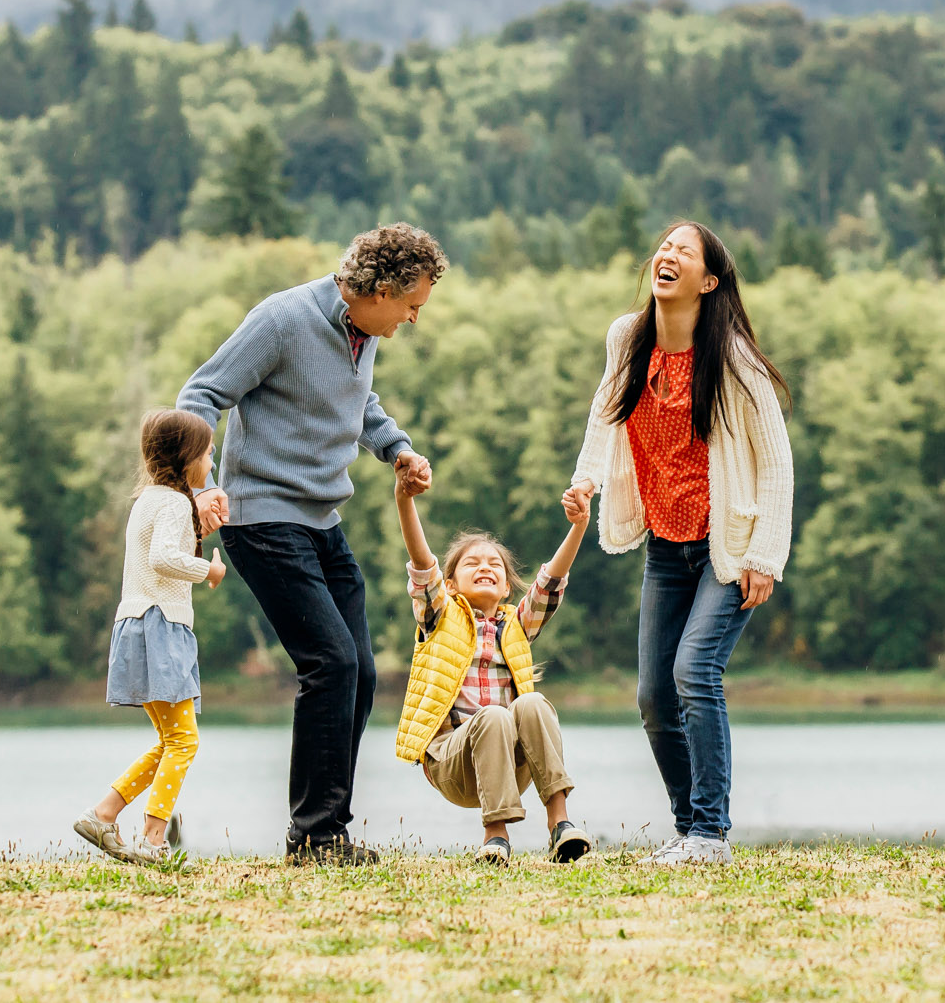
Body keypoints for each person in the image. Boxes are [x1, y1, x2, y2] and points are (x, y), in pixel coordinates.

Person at [177, 223, 445, 865]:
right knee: (331, 662)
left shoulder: (363, 334)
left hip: (322, 520)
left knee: (360, 672)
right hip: (262, 518)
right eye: (412, 305)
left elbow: (361, 404)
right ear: (379, 289)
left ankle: (325, 831)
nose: (412, 319)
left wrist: (397, 448)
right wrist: (202, 488)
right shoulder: (282, 320)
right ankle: (316, 835)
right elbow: (200, 396)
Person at [563, 221, 793, 866]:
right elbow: (604, 413)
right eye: (665, 247)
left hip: (728, 548)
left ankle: (710, 835)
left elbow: (775, 463)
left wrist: (764, 556)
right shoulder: (627, 338)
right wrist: (584, 483)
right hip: (666, 546)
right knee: (653, 696)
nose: (667, 256)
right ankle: (689, 828)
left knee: (695, 673)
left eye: (683, 252)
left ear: (707, 281)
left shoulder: (733, 360)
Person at [391, 473, 594, 865]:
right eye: (472, 563)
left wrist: (579, 525)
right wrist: (404, 501)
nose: (485, 567)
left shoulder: (516, 625)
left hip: (509, 763)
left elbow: (550, 582)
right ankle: (495, 837)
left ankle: (560, 825)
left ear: (505, 588)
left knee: (532, 703)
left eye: (494, 565)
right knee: (494, 716)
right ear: (449, 584)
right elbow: (422, 564)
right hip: (453, 761)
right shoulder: (439, 616)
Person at [74, 408, 226, 866]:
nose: (212, 456)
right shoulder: (175, 502)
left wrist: (197, 529)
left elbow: (158, 548)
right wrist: (209, 568)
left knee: (170, 739)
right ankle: (153, 839)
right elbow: (162, 557)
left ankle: (103, 815)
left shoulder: (149, 500)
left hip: (136, 624)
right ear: (186, 460)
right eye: (207, 450)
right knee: (185, 742)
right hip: (161, 626)